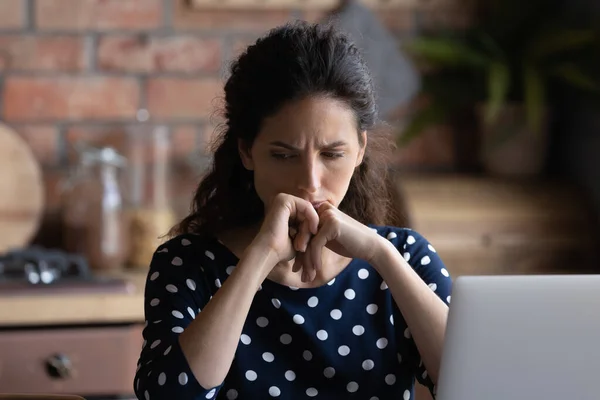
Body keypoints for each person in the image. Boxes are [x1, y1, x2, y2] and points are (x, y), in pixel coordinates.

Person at [134, 21, 452, 400]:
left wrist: (380, 253)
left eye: (333, 155)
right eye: (283, 155)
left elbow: (477, 385)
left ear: (360, 150)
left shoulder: (404, 257)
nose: (311, 183)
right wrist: (260, 257)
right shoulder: (189, 264)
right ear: (247, 151)